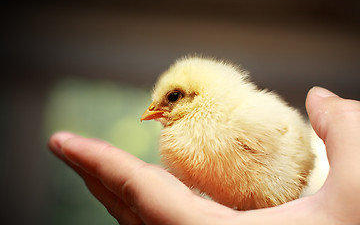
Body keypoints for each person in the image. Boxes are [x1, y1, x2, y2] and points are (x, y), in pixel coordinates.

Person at [48, 87, 360, 225]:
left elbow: (290, 148)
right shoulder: (187, 140)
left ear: (195, 95)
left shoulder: (241, 117)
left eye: (171, 99)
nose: (154, 110)